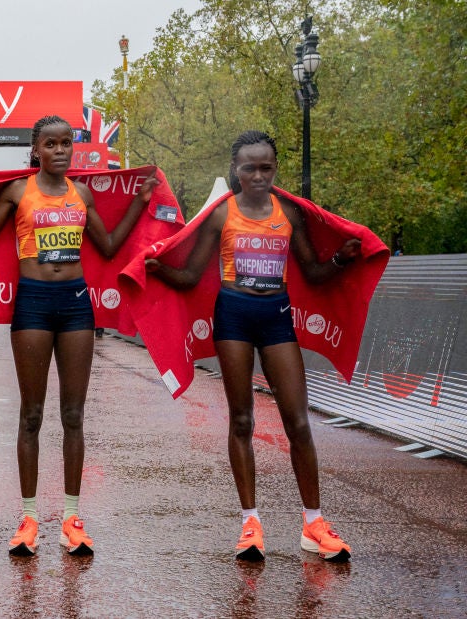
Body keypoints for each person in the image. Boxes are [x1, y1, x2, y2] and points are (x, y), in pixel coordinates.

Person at [0, 115, 158, 557]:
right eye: (51, 144)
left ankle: (72, 519)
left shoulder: (84, 194)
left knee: (73, 415)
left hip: (76, 304)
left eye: (67, 143)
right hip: (33, 303)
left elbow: (110, 247)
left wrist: (140, 202)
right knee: (32, 415)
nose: (60, 151)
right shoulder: (19, 191)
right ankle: (29, 518)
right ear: (36, 150)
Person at [144, 130, 359, 563]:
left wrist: (341, 259)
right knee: (242, 420)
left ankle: (313, 524)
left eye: (266, 167)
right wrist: (156, 268)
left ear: (274, 168)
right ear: (236, 170)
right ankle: (250, 524)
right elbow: (189, 276)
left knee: (297, 421)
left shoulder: (289, 214)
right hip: (233, 318)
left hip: (276, 318)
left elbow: (314, 275)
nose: (258, 175)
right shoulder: (222, 216)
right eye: (249, 168)